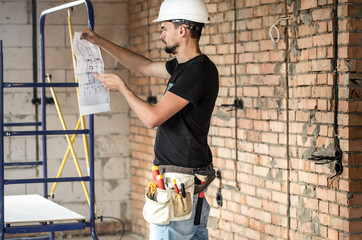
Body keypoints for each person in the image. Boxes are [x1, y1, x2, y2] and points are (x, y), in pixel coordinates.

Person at [80, 0, 219, 239]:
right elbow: (143, 66)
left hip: (180, 181)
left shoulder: (196, 71)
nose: (162, 34)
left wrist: (122, 88)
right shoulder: (185, 67)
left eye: (165, 28)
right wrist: (98, 41)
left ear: (182, 30)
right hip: (189, 179)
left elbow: (152, 118)